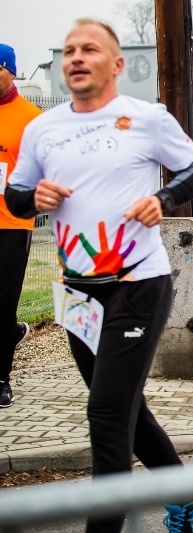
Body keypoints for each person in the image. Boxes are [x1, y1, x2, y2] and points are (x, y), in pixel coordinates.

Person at [6, 19, 193, 532]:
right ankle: (185, 492)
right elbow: (13, 196)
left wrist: (161, 199)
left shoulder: (145, 118)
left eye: (90, 49)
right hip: (78, 290)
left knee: (104, 413)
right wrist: (34, 199)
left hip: (137, 284)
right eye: (69, 50)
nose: (76, 56)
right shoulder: (42, 128)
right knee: (121, 404)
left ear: (116, 65)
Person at [0, 43, 39, 409]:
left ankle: (1, 379)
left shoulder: (30, 117)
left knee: (3, 300)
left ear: (11, 70)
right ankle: (10, 334)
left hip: (12, 223)